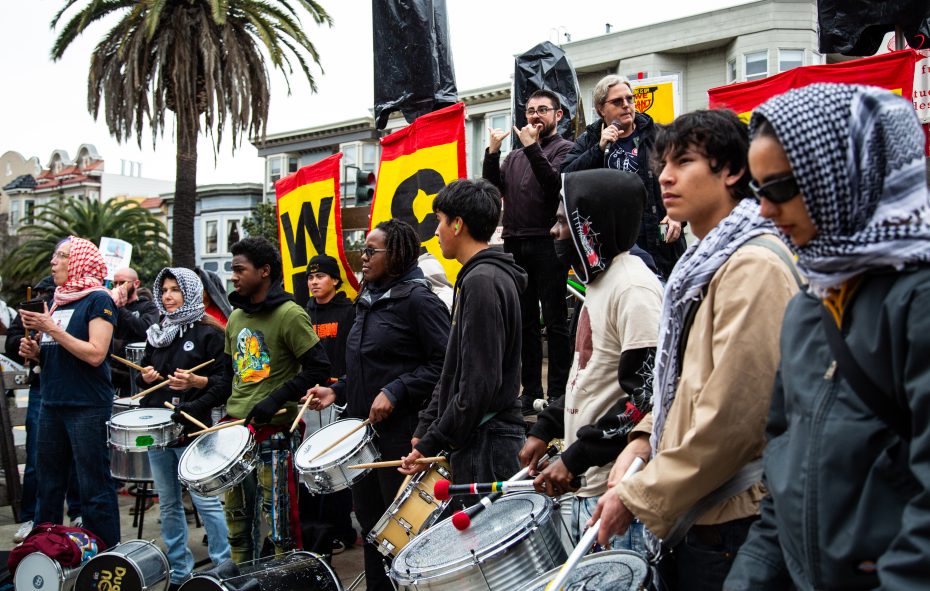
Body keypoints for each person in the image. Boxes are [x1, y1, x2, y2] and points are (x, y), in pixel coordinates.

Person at [725, 84, 930, 590]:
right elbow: (783, 486)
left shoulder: (917, 302)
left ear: (848, 175)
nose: (764, 210)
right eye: (757, 191)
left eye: (779, 189)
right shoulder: (808, 307)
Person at [587, 110, 800, 589]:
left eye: (684, 161)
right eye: (663, 162)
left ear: (732, 171)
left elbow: (734, 417)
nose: (665, 175)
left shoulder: (752, 266)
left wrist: (639, 495)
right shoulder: (703, 263)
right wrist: (644, 436)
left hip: (734, 518)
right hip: (702, 513)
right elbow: (687, 380)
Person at [519, 169, 662, 553]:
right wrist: (546, 426)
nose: (553, 230)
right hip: (588, 487)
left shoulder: (634, 289)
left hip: (617, 496)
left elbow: (645, 398)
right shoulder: (599, 283)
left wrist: (576, 457)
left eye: (563, 221)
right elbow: (589, 378)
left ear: (592, 225)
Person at [307, 220, 450, 591]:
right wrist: (339, 390)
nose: (363, 259)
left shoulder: (420, 300)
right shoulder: (366, 300)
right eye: (363, 251)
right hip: (363, 435)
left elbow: (447, 364)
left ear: (398, 254)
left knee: (403, 535)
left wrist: (398, 389)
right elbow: (367, 366)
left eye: (371, 251)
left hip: (404, 438)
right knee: (370, 528)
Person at [172, 237, 330, 563]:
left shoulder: (289, 314)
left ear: (264, 271)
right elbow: (229, 380)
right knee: (238, 523)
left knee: (280, 526)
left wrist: (276, 400)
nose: (233, 277)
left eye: (240, 270)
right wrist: (195, 407)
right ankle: (244, 579)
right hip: (235, 433)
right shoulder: (235, 319)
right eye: (232, 270)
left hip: (275, 432)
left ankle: (288, 581)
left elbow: (319, 366)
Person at [399, 179, 527, 495]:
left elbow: (479, 383)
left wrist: (434, 439)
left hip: (489, 441)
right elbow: (454, 369)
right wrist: (427, 428)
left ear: (457, 224)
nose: (437, 230)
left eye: (440, 221)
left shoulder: (482, 281)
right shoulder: (479, 277)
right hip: (483, 436)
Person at [18, 236, 121, 548]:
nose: (53, 262)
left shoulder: (99, 300)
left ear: (78, 261)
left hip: (86, 406)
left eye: (61, 256)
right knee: (48, 485)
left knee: (93, 485)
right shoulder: (59, 301)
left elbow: (95, 353)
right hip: (52, 402)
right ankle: (44, 551)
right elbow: (61, 351)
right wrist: (36, 351)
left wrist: (51, 329)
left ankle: (104, 554)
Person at [137, 267, 231, 587]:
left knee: (206, 501)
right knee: (169, 503)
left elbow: (225, 383)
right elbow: (147, 373)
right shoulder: (157, 333)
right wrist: (145, 377)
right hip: (158, 428)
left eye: (175, 289)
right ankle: (180, 571)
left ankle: (223, 567)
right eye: (164, 290)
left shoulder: (210, 333)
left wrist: (196, 381)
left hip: (194, 428)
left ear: (191, 292)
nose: (167, 296)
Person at [482, 89, 573, 415]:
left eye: (543, 110)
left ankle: (560, 394)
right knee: (524, 323)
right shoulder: (515, 156)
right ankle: (530, 392)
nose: (535, 116)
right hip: (515, 242)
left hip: (550, 242)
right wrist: (492, 153)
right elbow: (492, 189)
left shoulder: (566, 149)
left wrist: (533, 147)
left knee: (555, 320)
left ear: (557, 115)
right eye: (530, 110)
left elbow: (553, 186)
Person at [561, 74, 687, 280]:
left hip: (659, 239)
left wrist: (678, 216)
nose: (626, 105)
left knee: (662, 299)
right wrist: (599, 148)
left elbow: (685, 177)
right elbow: (565, 177)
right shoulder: (591, 139)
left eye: (630, 99)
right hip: (612, 245)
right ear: (601, 109)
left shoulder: (657, 135)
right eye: (617, 102)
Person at [5, 275, 82, 542]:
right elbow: (13, 340)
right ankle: (32, 517)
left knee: (75, 454)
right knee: (38, 454)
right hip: (42, 385)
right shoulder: (33, 306)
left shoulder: (78, 303)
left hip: (70, 386)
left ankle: (78, 513)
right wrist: (24, 345)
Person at [299, 254, 356, 556]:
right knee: (308, 466)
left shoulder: (349, 312)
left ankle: (340, 529)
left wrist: (340, 386)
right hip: (308, 400)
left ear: (335, 280)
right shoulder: (301, 313)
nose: (314, 282)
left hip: (338, 399)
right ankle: (312, 529)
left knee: (336, 466)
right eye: (310, 277)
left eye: (320, 276)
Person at [110, 267, 159, 396]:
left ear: (136, 284)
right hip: (111, 372)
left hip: (133, 374)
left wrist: (121, 308)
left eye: (122, 283)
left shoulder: (148, 307)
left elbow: (145, 330)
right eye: (114, 283)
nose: (117, 287)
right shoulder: (110, 305)